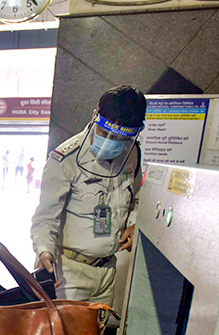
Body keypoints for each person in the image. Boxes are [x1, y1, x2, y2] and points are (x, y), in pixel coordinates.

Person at [30, 86, 146, 305]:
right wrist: (44, 252)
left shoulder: (133, 155)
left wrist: (133, 224)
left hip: (107, 270)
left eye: (121, 138)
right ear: (95, 116)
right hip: (68, 272)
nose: (112, 142)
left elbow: (136, 198)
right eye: (105, 133)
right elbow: (45, 218)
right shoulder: (65, 159)